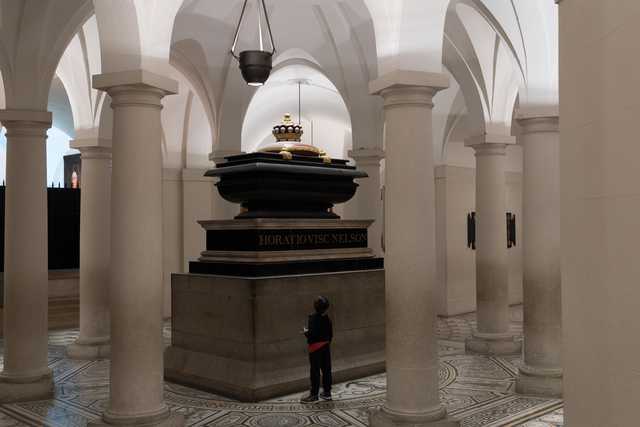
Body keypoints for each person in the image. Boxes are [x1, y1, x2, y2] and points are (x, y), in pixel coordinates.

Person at [300, 296, 333, 403]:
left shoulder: (313, 318)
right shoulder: (327, 318)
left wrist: (306, 332)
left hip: (315, 349)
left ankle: (314, 395)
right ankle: (327, 393)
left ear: (315, 306)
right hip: (326, 346)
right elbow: (331, 334)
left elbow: (312, 335)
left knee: (315, 371)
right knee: (326, 369)